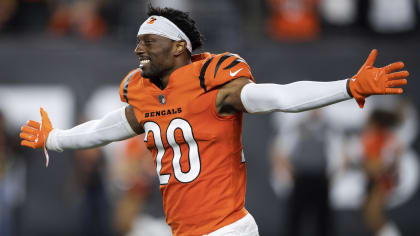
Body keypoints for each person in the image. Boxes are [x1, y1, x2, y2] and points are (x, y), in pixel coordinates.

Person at [19, 5, 409, 236]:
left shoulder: (213, 82)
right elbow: (109, 127)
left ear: (178, 47)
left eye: (148, 41)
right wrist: (56, 139)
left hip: (225, 230)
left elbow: (278, 96)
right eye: (137, 40)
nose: (138, 48)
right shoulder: (143, 91)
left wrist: (349, 86)